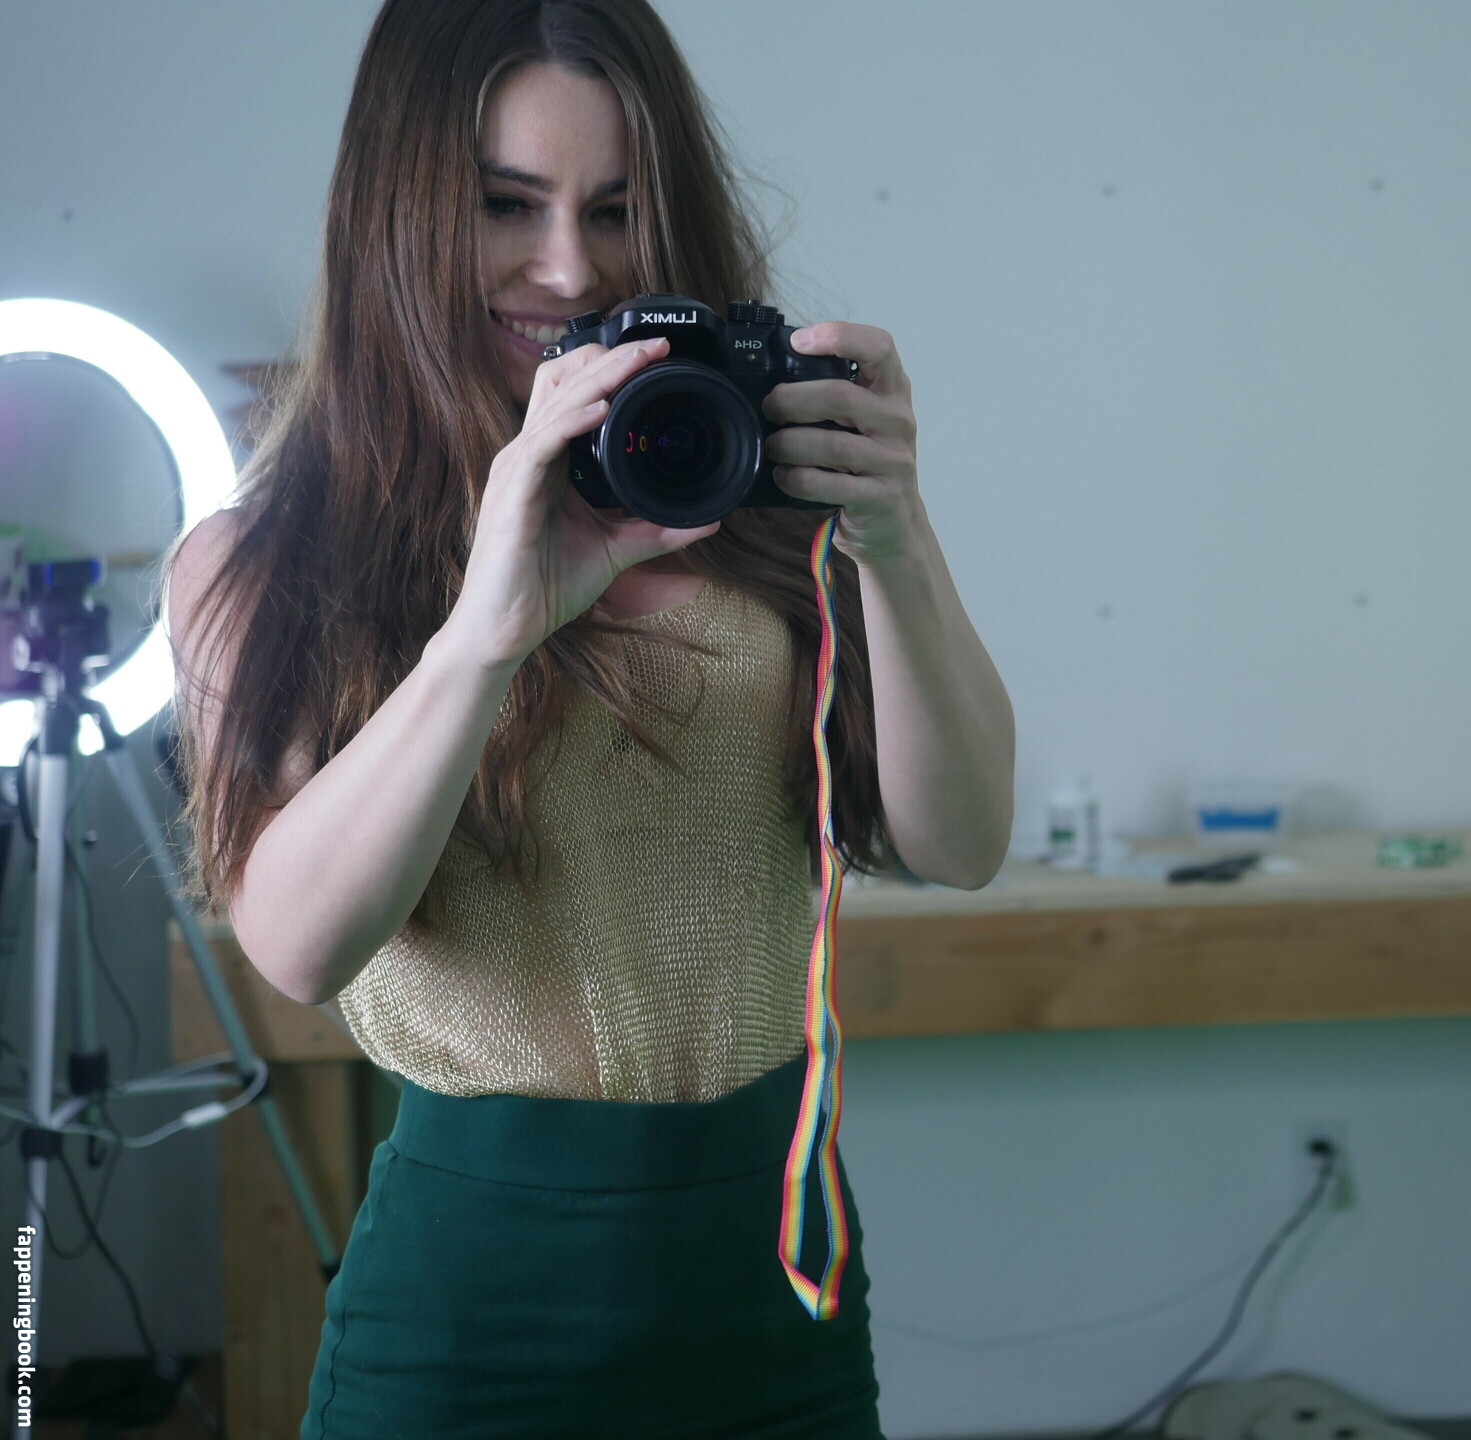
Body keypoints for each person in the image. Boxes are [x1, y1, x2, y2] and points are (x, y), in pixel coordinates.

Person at [160, 1, 1016, 1435]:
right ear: (397, 208)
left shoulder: (744, 495)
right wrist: (488, 633)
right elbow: (301, 949)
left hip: (776, 1283)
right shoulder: (271, 555)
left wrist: (896, 538)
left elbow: (964, 841)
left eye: (615, 210)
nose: (568, 268)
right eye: (507, 204)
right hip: (466, 1308)